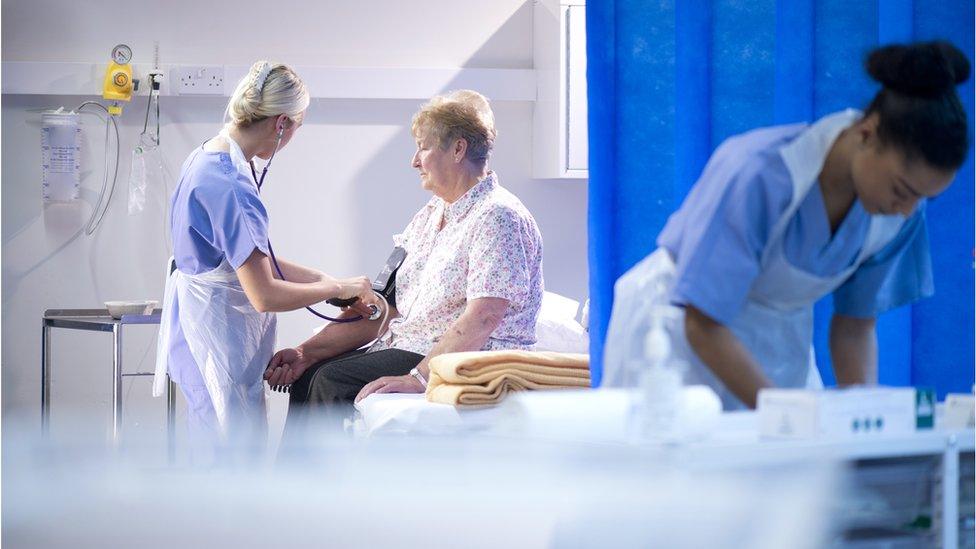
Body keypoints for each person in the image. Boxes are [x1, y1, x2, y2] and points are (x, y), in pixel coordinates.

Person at [602, 41, 971, 410]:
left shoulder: (898, 215)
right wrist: (784, 416)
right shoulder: (758, 172)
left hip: (777, 344)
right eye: (901, 190)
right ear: (867, 133)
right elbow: (702, 321)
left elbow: (854, 328)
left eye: (922, 198)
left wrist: (863, 424)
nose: (906, 210)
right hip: (674, 337)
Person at [264, 89, 544, 427]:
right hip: (409, 345)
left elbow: (484, 317)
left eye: (424, 147)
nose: (414, 161)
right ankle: (295, 482)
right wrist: (306, 353)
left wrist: (421, 378)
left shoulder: (498, 217)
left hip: (472, 359)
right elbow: (384, 308)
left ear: (458, 149)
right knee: (310, 376)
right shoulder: (428, 218)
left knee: (331, 382)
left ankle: (319, 482)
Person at [153, 61, 380, 444]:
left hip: (199, 327)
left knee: (213, 445)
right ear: (281, 123)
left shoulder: (208, 157)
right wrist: (333, 289)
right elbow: (264, 293)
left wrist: (331, 282)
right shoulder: (232, 185)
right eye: (298, 126)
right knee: (229, 460)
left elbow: (247, 259)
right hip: (217, 335)